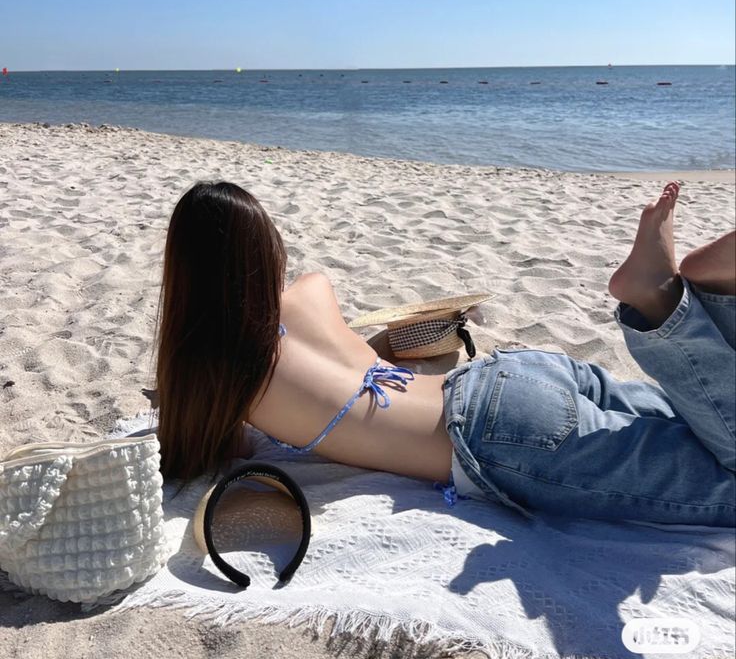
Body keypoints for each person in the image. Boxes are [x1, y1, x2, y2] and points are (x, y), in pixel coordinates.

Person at [154, 180, 736, 527]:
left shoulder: (223, 371)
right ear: (267, 246)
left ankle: (664, 303)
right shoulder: (313, 290)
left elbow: (213, 449)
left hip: (499, 435)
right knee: (708, 422)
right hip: (505, 377)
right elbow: (354, 354)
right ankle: (709, 296)